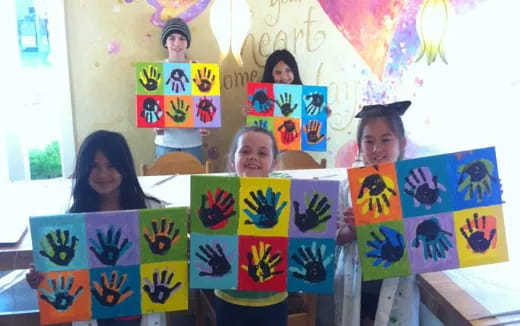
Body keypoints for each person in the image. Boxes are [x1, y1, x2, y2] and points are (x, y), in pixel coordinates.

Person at [26, 130, 164, 326]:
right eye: (94, 166)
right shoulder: (71, 219)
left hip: (138, 312)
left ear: (124, 168)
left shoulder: (151, 210)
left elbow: (164, 264)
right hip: (93, 314)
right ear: (83, 170)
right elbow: (61, 273)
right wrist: (42, 274)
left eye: (111, 165)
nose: (103, 174)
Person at [334, 101, 420, 326]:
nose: (376, 149)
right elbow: (337, 237)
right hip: (358, 281)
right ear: (359, 146)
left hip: (396, 282)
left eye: (386, 140)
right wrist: (352, 230)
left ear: (401, 143)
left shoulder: (413, 186)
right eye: (369, 141)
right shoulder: (348, 186)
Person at [214, 125, 288, 326]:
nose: (253, 157)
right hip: (229, 297)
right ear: (232, 160)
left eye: (262, 153)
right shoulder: (219, 200)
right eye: (245, 151)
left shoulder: (285, 200)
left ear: (274, 163)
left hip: (272, 299)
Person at [155, 17, 208, 162]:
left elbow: (206, 102)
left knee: (193, 182)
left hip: (193, 142)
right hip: (165, 141)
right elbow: (151, 102)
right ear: (165, 42)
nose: (177, 43)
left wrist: (205, 122)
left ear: (187, 43)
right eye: (171, 38)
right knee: (164, 182)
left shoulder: (199, 70)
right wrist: (154, 122)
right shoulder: (156, 70)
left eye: (182, 38)